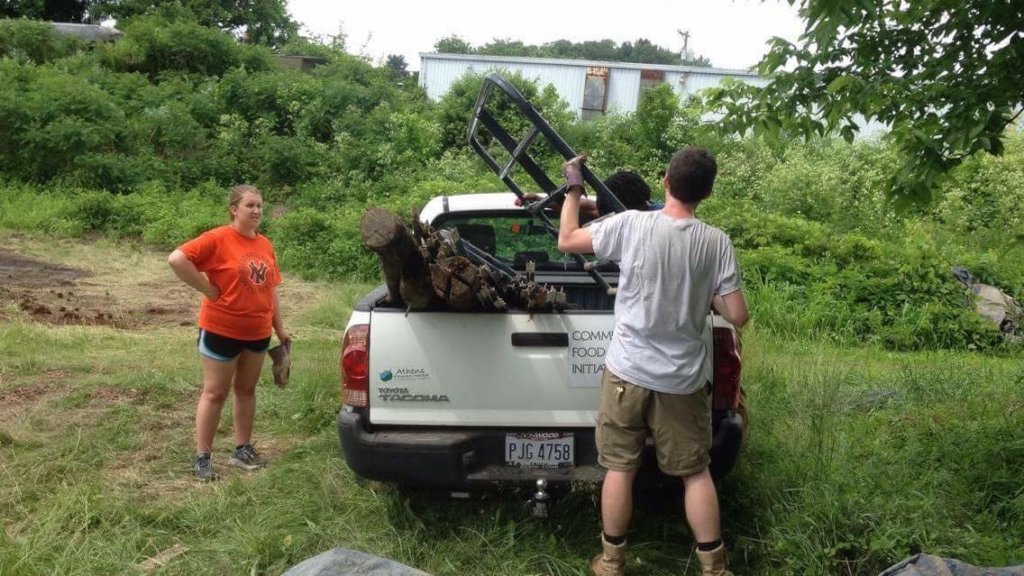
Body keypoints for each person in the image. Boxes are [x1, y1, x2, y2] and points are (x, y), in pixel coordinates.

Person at [556, 148, 749, 576]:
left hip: (627, 372)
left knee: (619, 469)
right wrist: (707, 294)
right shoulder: (715, 242)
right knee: (696, 472)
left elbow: (567, 240)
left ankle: (611, 562)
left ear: (665, 180)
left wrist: (574, 187)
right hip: (682, 382)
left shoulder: (631, 225)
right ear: (708, 192)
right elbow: (737, 316)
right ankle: (714, 568)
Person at [168, 184, 290, 482]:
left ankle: (242, 450)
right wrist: (208, 289)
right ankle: (202, 457)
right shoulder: (218, 238)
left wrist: (280, 330)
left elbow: (270, 289)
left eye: (260, 205)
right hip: (222, 329)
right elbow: (177, 259)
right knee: (215, 392)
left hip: (258, 332)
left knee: (246, 390)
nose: (257, 211)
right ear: (234, 209)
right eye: (250, 205)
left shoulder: (265, 245)